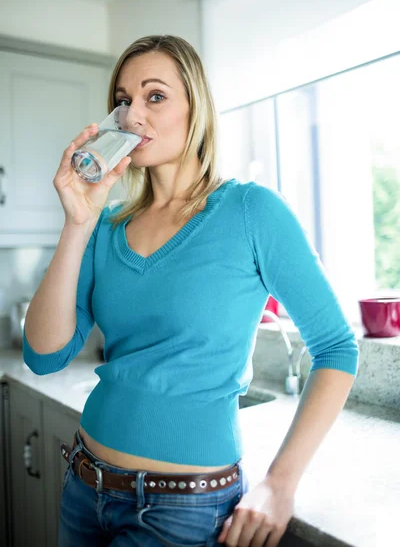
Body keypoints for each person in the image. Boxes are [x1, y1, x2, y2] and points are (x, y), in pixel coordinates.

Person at [23, 35, 359, 547]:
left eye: (154, 96)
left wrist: (281, 483)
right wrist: (77, 223)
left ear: (195, 109)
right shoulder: (106, 226)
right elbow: (44, 356)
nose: (132, 112)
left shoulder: (251, 211)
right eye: (122, 99)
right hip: (83, 485)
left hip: (180, 509)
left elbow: (337, 349)